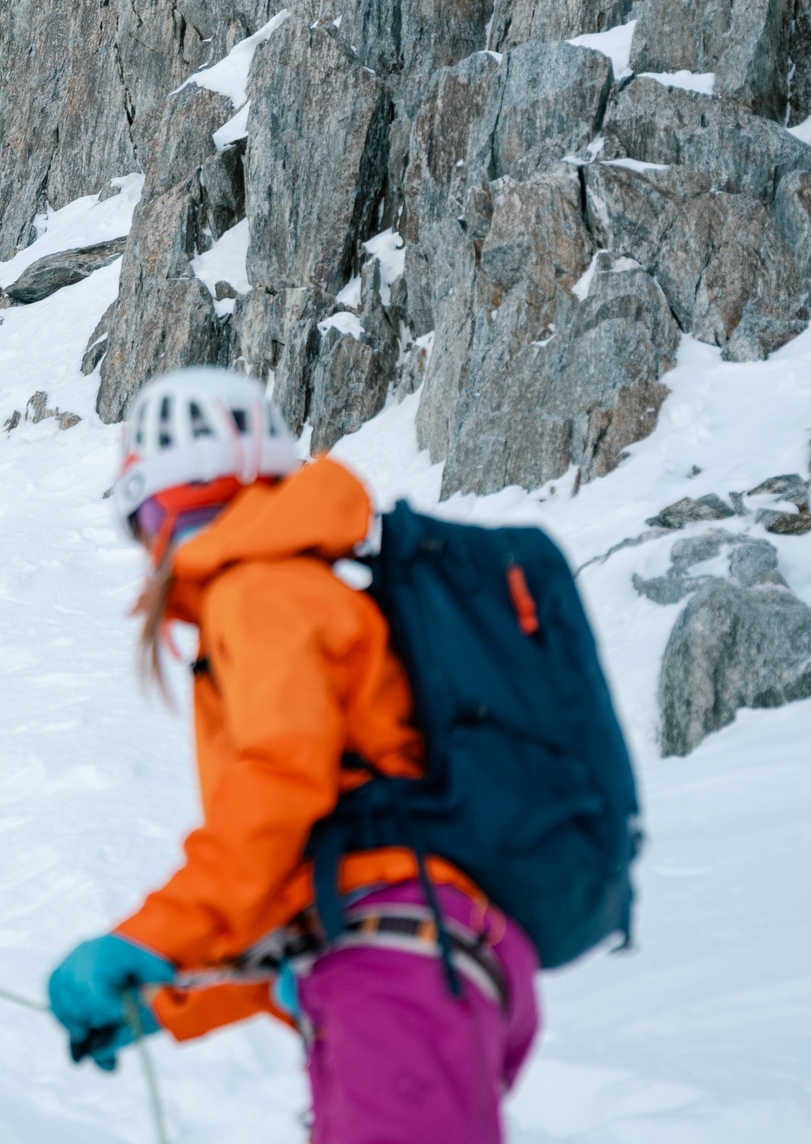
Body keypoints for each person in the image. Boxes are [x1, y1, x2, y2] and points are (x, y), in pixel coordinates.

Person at [47, 366, 540, 1144]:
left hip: (396, 975)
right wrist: (167, 999)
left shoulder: (260, 589)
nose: (146, 544)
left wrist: (151, 936)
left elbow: (279, 786)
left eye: (140, 515)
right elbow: (305, 879)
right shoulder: (300, 580)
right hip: (414, 960)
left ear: (177, 497)